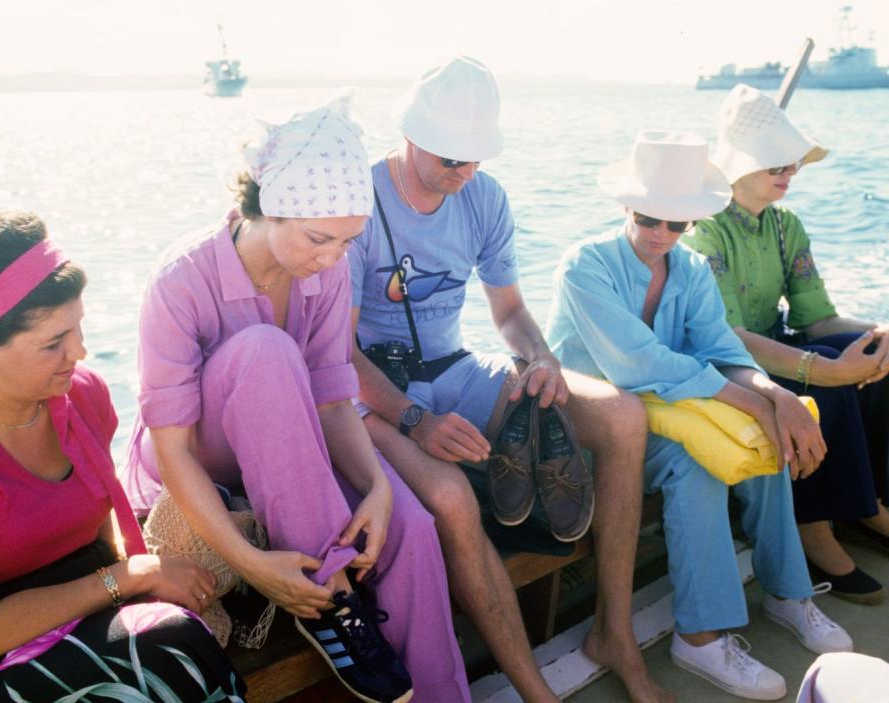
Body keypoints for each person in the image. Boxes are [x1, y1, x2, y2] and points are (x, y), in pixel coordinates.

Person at [119, 95, 467, 703]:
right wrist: (254, 568)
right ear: (269, 209)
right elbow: (172, 451)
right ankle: (328, 605)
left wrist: (381, 492)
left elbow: (334, 401)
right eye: (318, 238)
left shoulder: (325, 270)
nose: (333, 259)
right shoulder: (180, 280)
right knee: (266, 350)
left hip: (289, 453)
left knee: (411, 526)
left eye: (347, 242)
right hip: (199, 469)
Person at [349, 56, 671, 703]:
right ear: (409, 133)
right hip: (378, 394)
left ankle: (614, 630)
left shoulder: (485, 197)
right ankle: (535, 690)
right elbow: (336, 350)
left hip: (458, 369)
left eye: (475, 158)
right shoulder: (361, 198)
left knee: (622, 416)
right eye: (450, 158)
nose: (463, 173)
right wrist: (416, 420)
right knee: (454, 499)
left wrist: (542, 360)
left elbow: (509, 312)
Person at [546, 131, 853, 701]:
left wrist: (777, 399)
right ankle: (700, 636)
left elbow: (721, 349)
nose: (661, 234)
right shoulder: (583, 266)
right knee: (697, 461)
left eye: (677, 224)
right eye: (648, 219)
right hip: (590, 433)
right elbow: (639, 362)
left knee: (765, 434)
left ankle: (789, 594)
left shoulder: (688, 268)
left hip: (661, 412)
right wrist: (757, 402)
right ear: (625, 208)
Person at [0, 212, 245, 702]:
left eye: (77, 328)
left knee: (171, 639)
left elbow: (99, 533)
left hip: (80, 609)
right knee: (160, 652)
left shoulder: (83, 397)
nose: (79, 352)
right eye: (54, 343)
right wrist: (133, 575)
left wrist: (131, 578)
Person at [684, 84, 889, 604]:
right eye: (775, 161)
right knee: (825, 376)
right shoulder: (701, 230)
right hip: (722, 365)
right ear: (738, 165)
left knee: (872, 357)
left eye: (792, 162)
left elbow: (817, 318)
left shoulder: (785, 226)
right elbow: (723, 338)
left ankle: (867, 501)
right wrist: (822, 371)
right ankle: (812, 527)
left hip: (773, 344)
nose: (789, 171)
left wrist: (878, 334)